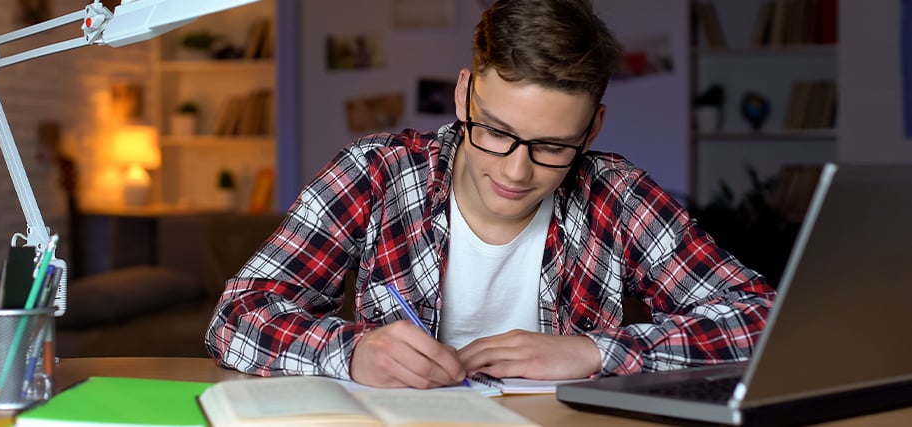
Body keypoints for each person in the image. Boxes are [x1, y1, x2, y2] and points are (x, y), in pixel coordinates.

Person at [205, 0, 775, 389]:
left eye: (553, 146)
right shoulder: (375, 172)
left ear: (593, 130)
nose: (517, 170)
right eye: (496, 131)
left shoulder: (617, 194)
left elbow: (762, 321)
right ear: (464, 95)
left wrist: (599, 352)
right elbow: (235, 317)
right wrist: (351, 353)